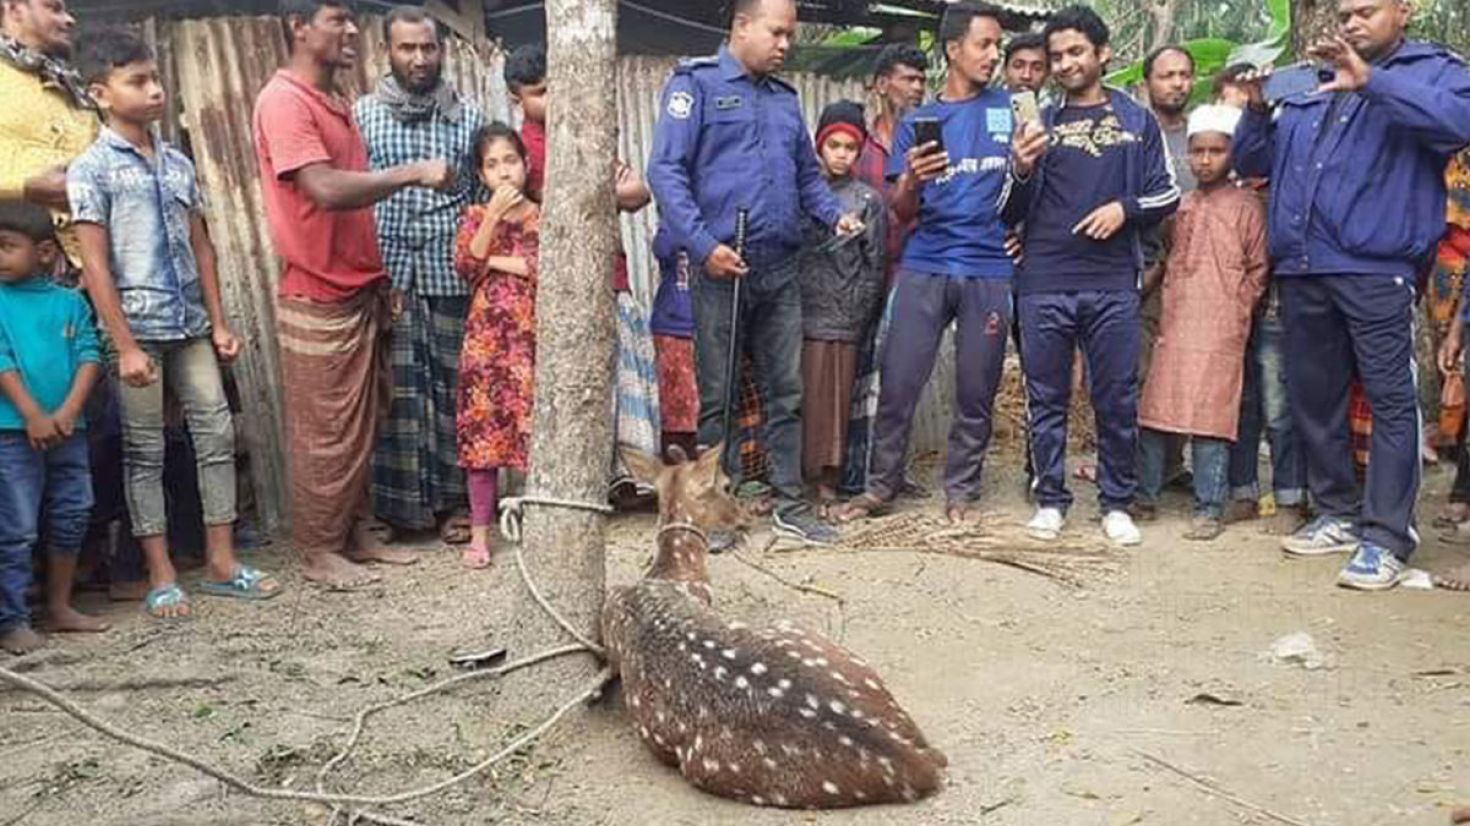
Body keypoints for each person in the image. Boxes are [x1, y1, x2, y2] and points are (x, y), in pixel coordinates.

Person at [1234, 0, 1470, 590]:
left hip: (1376, 265)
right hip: (1303, 265)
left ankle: (1389, 535)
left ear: (1405, 9)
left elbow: (1458, 125)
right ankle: (1337, 510)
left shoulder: (1434, 70)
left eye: (1366, 10)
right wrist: (1258, 114)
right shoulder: (1312, 79)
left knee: (1392, 401)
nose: (1351, 22)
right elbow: (1252, 162)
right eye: (1345, 13)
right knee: (1315, 396)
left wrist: (1373, 83)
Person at [69, 29, 280, 619]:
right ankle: (161, 574)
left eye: (156, 78)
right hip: (137, 330)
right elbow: (93, 262)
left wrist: (218, 320)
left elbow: (202, 246)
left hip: (189, 325)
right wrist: (124, 344)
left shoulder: (177, 162)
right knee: (145, 451)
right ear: (100, 93)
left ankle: (221, 562)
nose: (155, 90)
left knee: (215, 437)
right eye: (138, 81)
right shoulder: (91, 169)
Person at [252, 0, 453, 589]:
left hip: (359, 283)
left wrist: (378, 274)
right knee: (326, 429)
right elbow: (324, 188)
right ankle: (317, 550)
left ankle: (355, 531)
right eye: (336, 20)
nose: (349, 33)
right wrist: (412, 172)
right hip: (318, 288)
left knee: (366, 420)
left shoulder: (334, 102)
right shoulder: (284, 101)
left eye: (350, 22)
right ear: (298, 28)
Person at [646, 0, 862, 546]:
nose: (786, 44)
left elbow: (805, 177)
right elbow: (664, 172)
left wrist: (835, 215)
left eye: (790, 34)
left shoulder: (784, 100)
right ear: (742, 27)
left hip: (779, 267)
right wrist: (702, 245)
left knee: (785, 390)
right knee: (716, 398)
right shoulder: (692, 85)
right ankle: (716, 512)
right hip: (720, 269)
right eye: (777, 33)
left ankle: (791, 503)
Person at [1005, 5, 1181, 545]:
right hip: (1043, 279)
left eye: (1075, 51)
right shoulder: (1039, 123)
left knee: (1116, 397)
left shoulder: (1136, 121)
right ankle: (1051, 499)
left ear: (1102, 54)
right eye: (1056, 55)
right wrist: (1021, 165)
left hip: (1111, 283)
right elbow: (1007, 210)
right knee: (1046, 395)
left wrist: (1123, 209)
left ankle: (1116, 503)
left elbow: (1168, 193)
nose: (1064, 63)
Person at [840, 2, 1016, 525]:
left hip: (988, 267)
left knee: (976, 389)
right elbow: (899, 209)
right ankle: (880, 487)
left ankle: (960, 491)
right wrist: (913, 179)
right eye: (983, 44)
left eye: (997, 45)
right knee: (898, 382)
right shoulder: (920, 121)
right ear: (953, 49)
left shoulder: (1010, 110)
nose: (993, 55)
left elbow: (1031, 188)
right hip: (927, 262)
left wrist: (1025, 193)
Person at [504, 43, 657, 506]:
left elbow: (639, 192)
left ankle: (627, 479)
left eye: (557, 89)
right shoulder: (521, 151)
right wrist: (603, 190)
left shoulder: (588, 131)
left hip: (612, 274)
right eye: (540, 93)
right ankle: (585, 488)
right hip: (564, 285)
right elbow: (561, 203)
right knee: (582, 390)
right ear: (518, 98)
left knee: (623, 377)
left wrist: (599, 192)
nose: (552, 101)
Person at [355, 7, 484, 547]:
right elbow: (352, 196)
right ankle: (396, 510)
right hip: (388, 273)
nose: (419, 58)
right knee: (394, 393)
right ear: (388, 51)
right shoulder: (362, 116)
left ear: (442, 51)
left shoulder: (468, 117)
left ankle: (457, 504)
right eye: (407, 48)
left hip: (449, 271)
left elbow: (482, 200)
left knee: (456, 388)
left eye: (428, 48)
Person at [1137, 105, 1267, 541]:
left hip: (1222, 327)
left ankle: (1209, 507)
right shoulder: (1182, 206)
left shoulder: (1247, 206)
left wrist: (1237, 307)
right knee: (1156, 411)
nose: (1205, 160)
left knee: (1213, 419)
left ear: (1232, 153)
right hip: (1176, 324)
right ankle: (1145, 497)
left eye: (1216, 151)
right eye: (1198, 151)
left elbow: (1258, 268)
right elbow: (1168, 255)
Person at [0, 202, 103, 653]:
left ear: (44, 252)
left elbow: (90, 355)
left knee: (72, 513)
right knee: (17, 526)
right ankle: (12, 619)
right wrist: (32, 415)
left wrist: (67, 411)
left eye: (6, 247)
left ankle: (60, 606)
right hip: (11, 432)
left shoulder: (69, 303)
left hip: (69, 429)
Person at [453, 123, 538, 570]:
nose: (504, 172)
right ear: (482, 175)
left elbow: (543, 267)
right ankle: (480, 534)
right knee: (482, 439)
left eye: (510, 161)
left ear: (525, 164)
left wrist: (495, 262)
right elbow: (466, 263)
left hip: (528, 341)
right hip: (485, 346)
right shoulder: (473, 217)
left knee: (532, 433)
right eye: (492, 165)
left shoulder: (542, 217)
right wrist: (489, 218)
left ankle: (536, 527)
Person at [845, 42, 927, 500]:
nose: (916, 88)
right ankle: (853, 471)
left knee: (899, 373)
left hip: (910, 268)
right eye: (907, 78)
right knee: (856, 370)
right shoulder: (858, 143)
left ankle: (890, 472)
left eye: (921, 80)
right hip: (858, 273)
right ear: (881, 84)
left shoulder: (929, 139)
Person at [797, 101, 886, 507]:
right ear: (819, 145)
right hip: (798, 311)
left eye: (850, 147)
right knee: (793, 395)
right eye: (833, 144)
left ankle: (828, 479)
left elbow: (875, 265)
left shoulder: (867, 200)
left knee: (834, 402)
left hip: (844, 316)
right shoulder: (800, 194)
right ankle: (791, 477)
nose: (841, 154)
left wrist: (860, 313)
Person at [0, 0, 95, 266]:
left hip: (86, 264)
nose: (69, 19)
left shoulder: (71, 83)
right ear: (14, 9)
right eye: (54, 8)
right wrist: (23, 187)